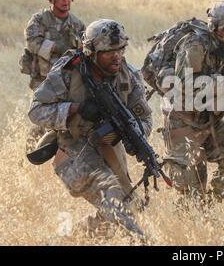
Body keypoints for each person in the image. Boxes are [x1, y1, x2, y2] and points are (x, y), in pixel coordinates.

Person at [28, 19, 152, 239]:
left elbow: (145, 119)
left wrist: (133, 134)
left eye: (120, 49)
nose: (117, 56)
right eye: (109, 51)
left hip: (109, 149)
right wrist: (76, 108)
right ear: (92, 52)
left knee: (122, 211)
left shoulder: (129, 76)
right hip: (73, 152)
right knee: (116, 203)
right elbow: (36, 111)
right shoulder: (68, 72)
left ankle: (69, 240)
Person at [160, 0, 224, 204]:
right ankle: (192, 219)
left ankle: (207, 208)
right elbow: (184, 85)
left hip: (210, 121)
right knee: (194, 185)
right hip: (182, 122)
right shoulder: (195, 46)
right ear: (219, 30)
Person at [21, 0, 85, 151]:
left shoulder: (77, 24)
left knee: (67, 119)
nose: (65, 1)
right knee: (42, 120)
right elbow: (32, 42)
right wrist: (58, 48)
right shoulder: (40, 20)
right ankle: (31, 154)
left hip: (67, 82)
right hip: (43, 80)